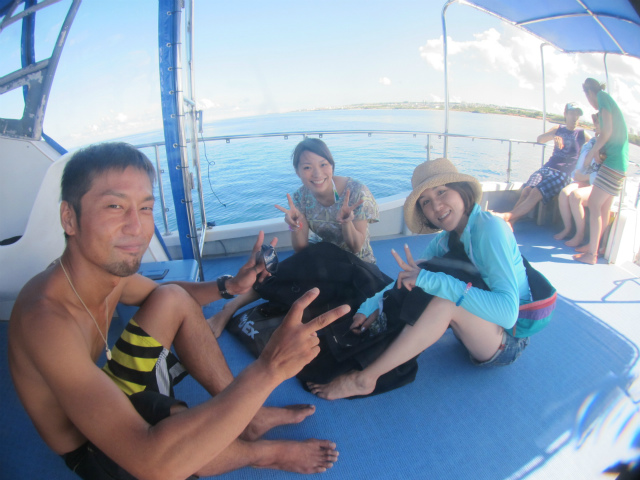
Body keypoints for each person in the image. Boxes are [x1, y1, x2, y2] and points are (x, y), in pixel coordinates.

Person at [8, 142, 348, 479]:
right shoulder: (46, 322)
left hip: (105, 385)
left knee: (172, 297)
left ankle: (251, 419)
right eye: (114, 206)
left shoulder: (103, 273)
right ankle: (262, 454)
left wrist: (230, 287)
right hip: (91, 446)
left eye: (145, 208)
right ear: (69, 218)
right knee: (175, 437)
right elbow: (152, 463)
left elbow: (166, 296)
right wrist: (268, 370)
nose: (136, 227)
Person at [307, 158, 534, 400]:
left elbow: (508, 314)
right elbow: (410, 277)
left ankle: (365, 379)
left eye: (441, 192)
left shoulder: (490, 229)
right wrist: (371, 306)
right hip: (476, 327)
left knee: (444, 299)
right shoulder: (445, 240)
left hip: (507, 340)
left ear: (462, 190)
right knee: (423, 279)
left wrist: (432, 281)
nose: (436, 206)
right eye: (426, 201)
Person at [207, 137, 379, 337]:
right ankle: (230, 307)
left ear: (332, 165)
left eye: (323, 164)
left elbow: (356, 247)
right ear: (297, 171)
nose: (317, 173)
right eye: (307, 167)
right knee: (283, 271)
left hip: (358, 264)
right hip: (324, 257)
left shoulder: (356, 191)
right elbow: (301, 250)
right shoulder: (300, 198)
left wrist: (347, 222)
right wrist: (295, 226)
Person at [495, 103, 587, 229]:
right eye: (572, 113)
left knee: (536, 191)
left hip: (563, 174)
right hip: (547, 168)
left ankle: (508, 217)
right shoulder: (558, 128)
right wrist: (554, 136)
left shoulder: (582, 134)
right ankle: (511, 223)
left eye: (577, 114)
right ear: (565, 114)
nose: (575, 117)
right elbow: (540, 139)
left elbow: (595, 145)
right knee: (527, 190)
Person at [573, 78, 629, 265]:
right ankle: (593, 248)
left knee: (594, 204)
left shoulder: (603, 98)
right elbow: (611, 136)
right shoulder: (607, 101)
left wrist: (592, 153)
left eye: (588, 97)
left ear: (590, 93)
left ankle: (592, 255)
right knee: (603, 208)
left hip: (614, 164)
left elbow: (606, 132)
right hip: (618, 163)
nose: (590, 102)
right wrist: (599, 150)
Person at [554, 113, 601, 246]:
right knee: (564, 193)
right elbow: (580, 166)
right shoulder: (591, 143)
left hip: (597, 183)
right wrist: (578, 175)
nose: (596, 125)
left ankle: (580, 234)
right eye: (596, 122)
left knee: (575, 196)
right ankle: (567, 228)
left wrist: (586, 177)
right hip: (583, 180)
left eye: (598, 123)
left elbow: (604, 173)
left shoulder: (607, 146)